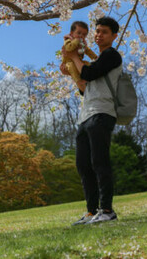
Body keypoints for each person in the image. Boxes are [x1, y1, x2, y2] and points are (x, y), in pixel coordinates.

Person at [63, 16, 122, 225]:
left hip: (102, 113)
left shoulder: (111, 56)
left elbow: (89, 72)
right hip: (86, 115)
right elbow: (85, 87)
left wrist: (73, 57)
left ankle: (107, 210)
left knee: (99, 161)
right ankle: (91, 211)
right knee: (83, 165)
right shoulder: (96, 59)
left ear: (113, 36)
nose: (98, 35)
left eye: (104, 32)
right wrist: (70, 67)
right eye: (97, 31)